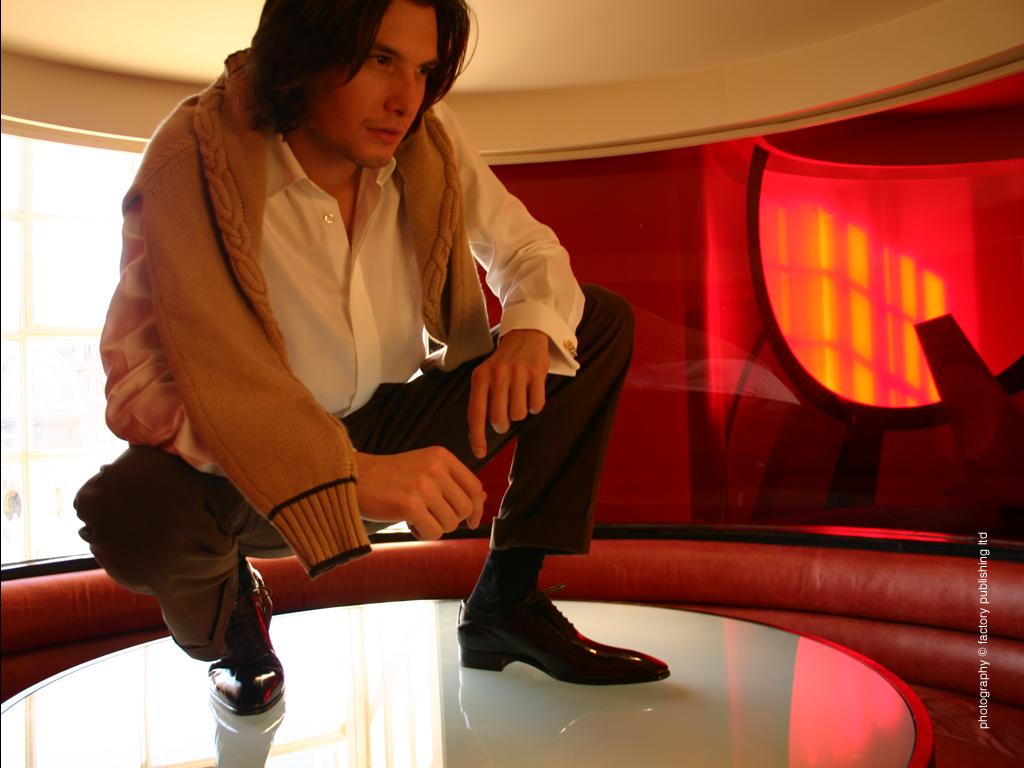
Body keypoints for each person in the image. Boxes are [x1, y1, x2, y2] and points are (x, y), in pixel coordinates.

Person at [75, 0, 668, 717]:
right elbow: (139, 388)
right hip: (249, 472)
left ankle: (507, 601)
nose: (406, 99)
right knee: (128, 508)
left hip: (392, 428)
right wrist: (342, 471)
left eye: (423, 70)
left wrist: (525, 334)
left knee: (590, 323)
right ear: (303, 52)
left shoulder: (427, 137)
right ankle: (234, 623)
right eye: (382, 61)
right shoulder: (194, 158)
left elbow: (529, 251)